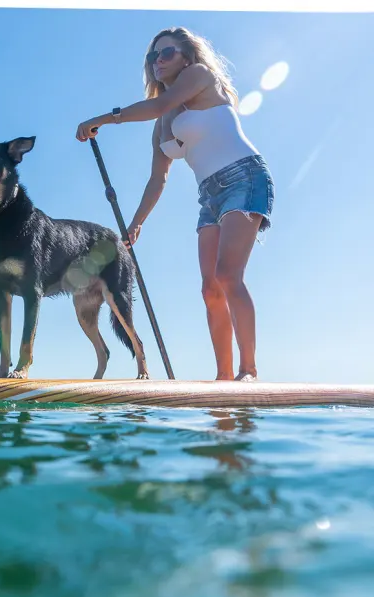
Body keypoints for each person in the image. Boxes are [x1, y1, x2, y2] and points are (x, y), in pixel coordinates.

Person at [76, 26, 273, 382]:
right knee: (209, 288)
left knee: (228, 275)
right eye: (152, 56)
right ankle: (224, 377)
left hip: (244, 177)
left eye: (166, 53)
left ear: (186, 57)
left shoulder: (199, 77)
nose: (157, 61)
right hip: (209, 195)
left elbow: (158, 104)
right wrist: (136, 223)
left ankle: (249, 370)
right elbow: (158, 179)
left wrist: (103, 119)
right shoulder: (163, 124)